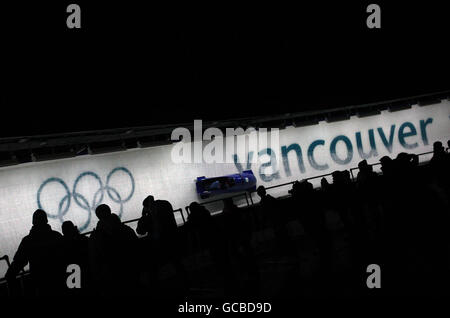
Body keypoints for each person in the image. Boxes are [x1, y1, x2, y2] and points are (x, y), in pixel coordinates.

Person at [6, 209, 65, 297]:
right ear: (46, 220)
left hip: (40, 285)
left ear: (33, 222)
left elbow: (17, 264)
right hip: (59, 283)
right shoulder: (57, 236)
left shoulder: (28, 241)